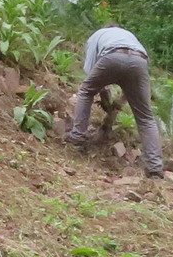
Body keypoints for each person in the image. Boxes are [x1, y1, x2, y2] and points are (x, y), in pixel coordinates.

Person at [67, 25, 165, 177]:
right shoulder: (129, 36)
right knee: (145, 117)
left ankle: (77, 137)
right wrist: (116, 104)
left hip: (112, 57)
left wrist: (105, 99)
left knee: (86, 91)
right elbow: (132, 80)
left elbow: (90, 72)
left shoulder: (97, 36)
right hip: (139, 61)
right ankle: (155, 168)